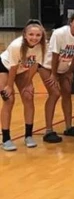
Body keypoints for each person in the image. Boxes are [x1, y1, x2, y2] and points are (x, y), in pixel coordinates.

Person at [39, 12, 74, 143]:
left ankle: (68, 127)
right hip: (48, 67)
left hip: (63, 69)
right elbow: (55, 54)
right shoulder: (60, 33)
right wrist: (54, 75)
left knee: (67, 92)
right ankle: (48, 130)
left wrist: (69, 72)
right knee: (55, 94)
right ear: (70, 22)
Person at [1, 21, 46, 151]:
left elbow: (35, 65)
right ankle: (6, 138)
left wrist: (27, 84)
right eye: (31, 34)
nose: (34, 38)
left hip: (23, 69)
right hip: (5, 67)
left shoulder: (43, 46)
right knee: (8, 100)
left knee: (28, 96)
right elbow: (13, 67)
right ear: (25, 35)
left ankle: (28, 135)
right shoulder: (16, 46)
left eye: (38, 35)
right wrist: (9, 86)